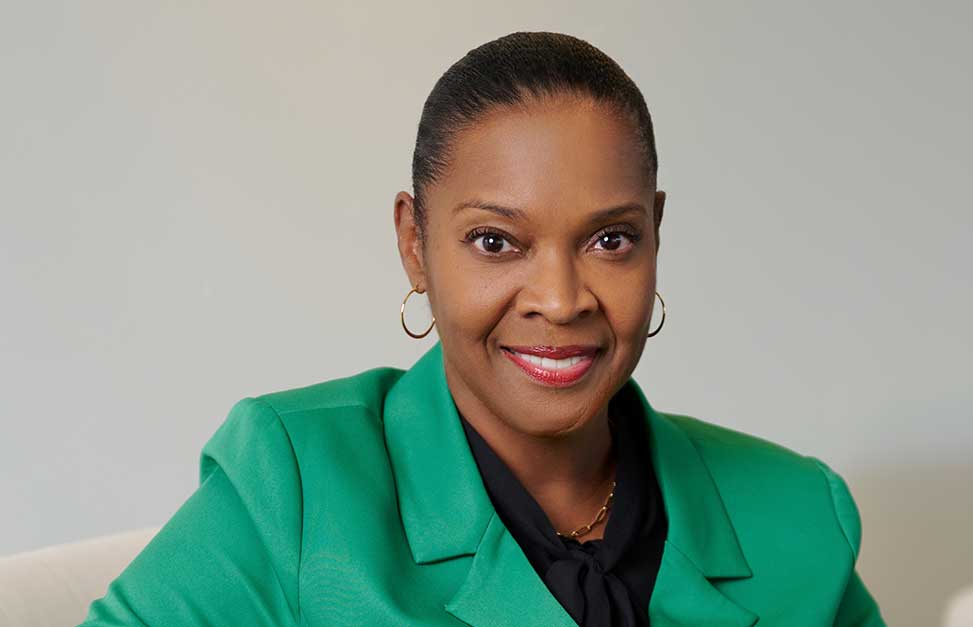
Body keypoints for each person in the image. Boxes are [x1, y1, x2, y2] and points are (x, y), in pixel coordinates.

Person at [80, 31, 886, 627]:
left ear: (656, 234)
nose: (562, 298)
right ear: (414, 244)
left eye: (611, 239)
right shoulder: (295, 484)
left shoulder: (798, 513)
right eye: (496, 241)